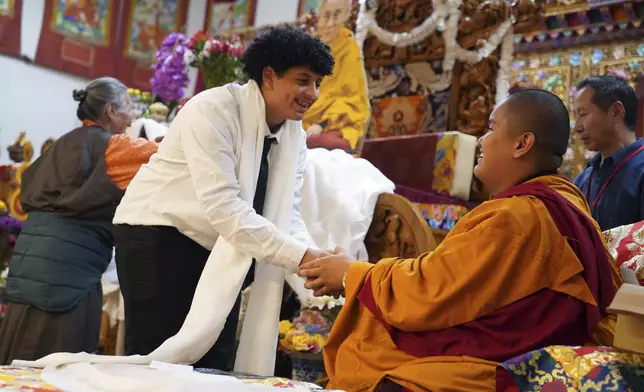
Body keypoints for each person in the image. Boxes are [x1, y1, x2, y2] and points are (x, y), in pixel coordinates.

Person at [299, 89, 621, 391]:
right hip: (525, 344)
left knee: (374, 357)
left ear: (521, 144)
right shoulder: (568, 203)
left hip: (499, 357)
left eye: (492, 128)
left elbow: (429, 290)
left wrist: (350, 273)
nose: (481, 140)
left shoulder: (516, 215)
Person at [112, 26, 335, 373]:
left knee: (212, 363)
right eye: (303, 81)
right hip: (157, 235)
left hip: (220, 247)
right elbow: (224, 207)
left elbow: (286, 217)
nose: (313, 93)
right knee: (158, 364)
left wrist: (315, 265)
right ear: (270, 76)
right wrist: (302, 256)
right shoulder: (213, 110)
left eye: (317, 83)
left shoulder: (295, 138)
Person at [0, 77, 158, 364]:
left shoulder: (61, 144)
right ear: (110, 110)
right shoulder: (113, 147)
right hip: (67, 277)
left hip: (28, 268)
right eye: (129, 108)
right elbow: (168, 157)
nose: (132, 117)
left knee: (18, 355)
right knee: (58, 364)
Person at [572, 75, 644, 230]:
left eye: (583, 114)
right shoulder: (582, 180)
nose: (577, 127)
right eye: (575, 116)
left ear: (616, 112)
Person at [303, 0, 370, 154]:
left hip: (338, 122)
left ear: (346, 17)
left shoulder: (349, 48)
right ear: (318, 17)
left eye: (337, 15)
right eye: (326, 16)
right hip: (304, 117)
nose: (331, 23)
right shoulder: (308, 47)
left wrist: (322, 124)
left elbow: (353, 100)